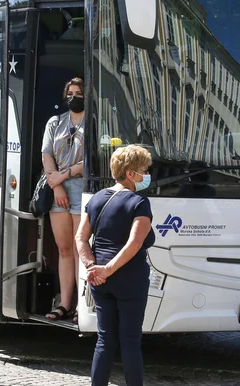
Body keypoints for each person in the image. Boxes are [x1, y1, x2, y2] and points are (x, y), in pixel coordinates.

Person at [75, 144, 156, 386]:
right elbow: (135, 243)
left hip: (100, 281)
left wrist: (93, 267)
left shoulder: (97, 198)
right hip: (129, 279)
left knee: (104, 340)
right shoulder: (139, 202)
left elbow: (81, 237)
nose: (147, 174)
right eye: (144, 169)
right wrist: (108, 269)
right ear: (131, 173)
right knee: (130, 341)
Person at [42, 77, 86, 322]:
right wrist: (56, 184)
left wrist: (63, 176)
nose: (73, 97)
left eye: (78, 93)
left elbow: (93, 158)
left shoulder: (95, 123)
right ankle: (65, 304)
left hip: (82, 189)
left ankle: (82, 306)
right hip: (57, 190)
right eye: (70, 93)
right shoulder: (55, 122)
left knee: (82, 249)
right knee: (64, 249)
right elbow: (46, 154)